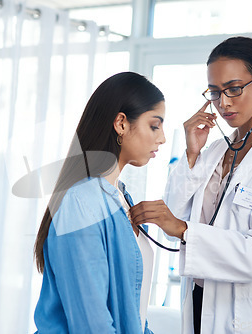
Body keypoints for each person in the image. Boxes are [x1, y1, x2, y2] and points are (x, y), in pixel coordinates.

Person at [130, 37, 252, 333]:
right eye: (215, 92)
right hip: (202, 301)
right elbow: (174, 210)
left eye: (233, 89)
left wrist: (183, 229)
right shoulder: (215, 150)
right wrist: (192, 153)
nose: (223, 102)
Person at [33, 72, 166, 334]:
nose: (162, 138)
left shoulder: (121, 197)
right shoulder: (81, 203)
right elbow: (91, 324)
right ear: (121, 123)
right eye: (154, 126)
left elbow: (134, 311)